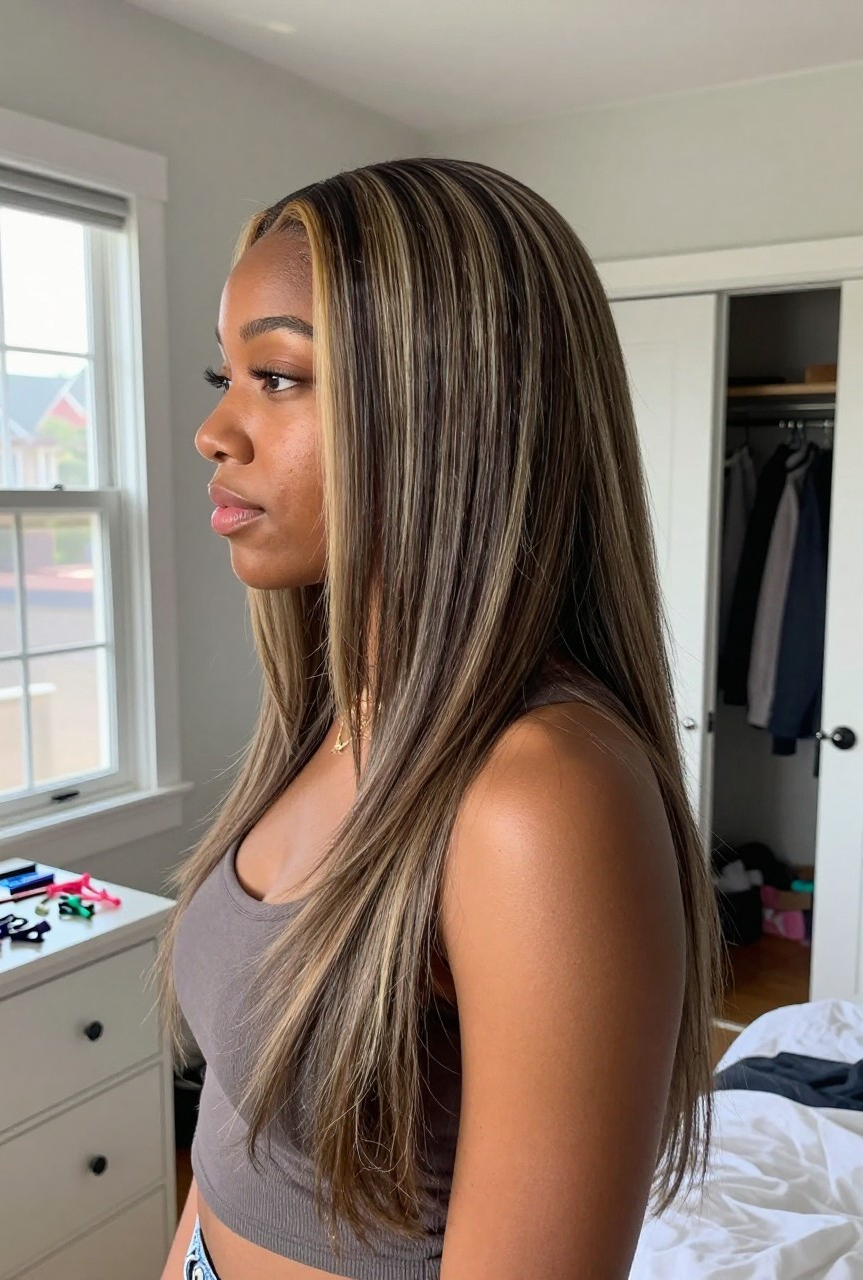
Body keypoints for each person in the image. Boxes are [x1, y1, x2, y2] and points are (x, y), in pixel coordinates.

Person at [157, 156, 720, 1280]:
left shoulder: (539, 795)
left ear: (446, 406)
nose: (214, 430)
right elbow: (231, 1134)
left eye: (276, 376)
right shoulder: (329, 721)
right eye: (227, 374)